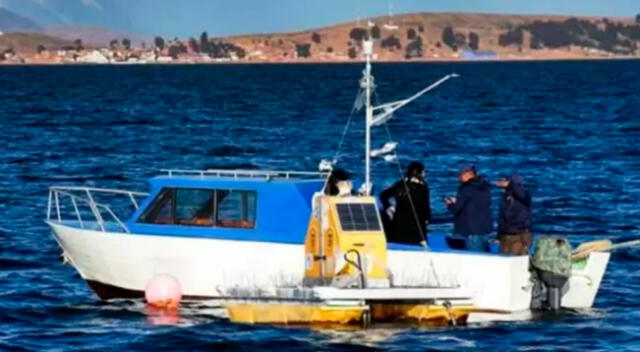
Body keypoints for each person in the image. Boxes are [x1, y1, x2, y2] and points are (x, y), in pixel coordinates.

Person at [380, 161, 431, 246]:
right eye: (423, 172)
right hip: (415, 230)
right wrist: (427, 220)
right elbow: (425, 210)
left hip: (398, 227)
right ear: (419, 173)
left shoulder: (400, 184)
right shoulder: (423, 188)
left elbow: (383, 195)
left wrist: (389, 207)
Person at [444, 164, 492, 251]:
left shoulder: (466, 189)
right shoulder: (485, 187)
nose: (459, 178)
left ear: (468, 174)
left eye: (461, 175)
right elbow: (476, 204)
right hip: (485, 230)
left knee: (474, 259)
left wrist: (449, 204)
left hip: (471, 232)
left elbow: (456, 209)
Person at [496, 174, 532, 255]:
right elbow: (501, 218)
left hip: (519, 236)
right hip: (506, 235)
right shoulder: (505, 197)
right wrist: (498, 236)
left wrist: (511, 184)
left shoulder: (525, 195)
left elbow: (521, 193)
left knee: (517, 262)